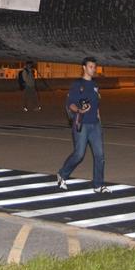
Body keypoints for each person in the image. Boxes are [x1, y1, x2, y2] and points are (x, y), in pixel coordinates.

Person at [56, 57, 108, 193]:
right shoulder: (77, 84)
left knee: (100, 155)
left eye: (94, 67)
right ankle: (62, 174)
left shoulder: (95, 85)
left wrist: (99, 122)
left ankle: (98, 185)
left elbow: (96, 106)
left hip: (95, 124)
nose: (93, 69)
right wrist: (79, 110)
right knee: (79, 154)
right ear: (84, 68)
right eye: (90, 66)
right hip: (82, 123)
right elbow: (70, 104)